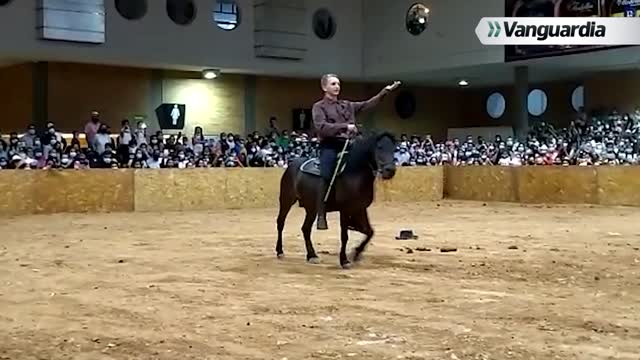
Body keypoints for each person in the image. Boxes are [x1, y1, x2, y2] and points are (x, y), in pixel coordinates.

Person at [311, 73, 400, 230]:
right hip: (330, 146)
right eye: (333, 84)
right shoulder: (319, 107)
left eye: (338, 83)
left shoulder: (347, 105)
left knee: (366, 167)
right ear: (324, 87)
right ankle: (321, 213)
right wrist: (345, 127)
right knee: (326, 173)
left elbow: (368, 104)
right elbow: (321, 127)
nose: (337, 86)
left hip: (350, 145)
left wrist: (384, 92)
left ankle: (356, 208)